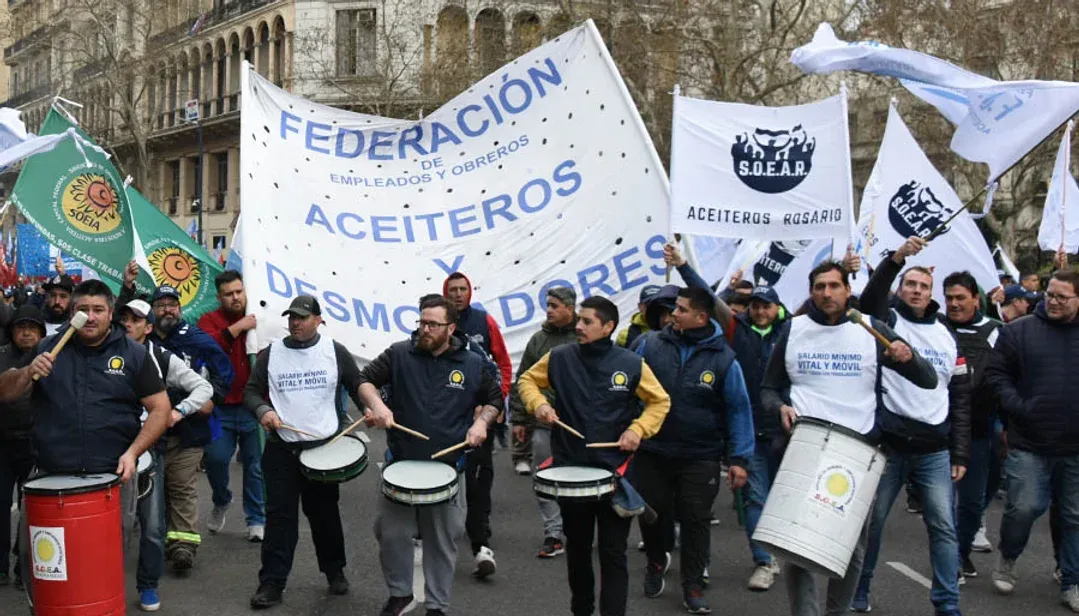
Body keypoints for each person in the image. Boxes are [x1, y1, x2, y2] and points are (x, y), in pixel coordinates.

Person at [760, 262, 938, 616]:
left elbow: (928, 379)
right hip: (804, 446)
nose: (826, 293)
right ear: (811, 292)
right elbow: (768, 388)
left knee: (851, 546)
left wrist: (909, 359)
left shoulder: (871, 328)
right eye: (819, 287)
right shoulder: (793, 329)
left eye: (834, 286)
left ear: (847, 290)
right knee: (796, 542)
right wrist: (779, 407)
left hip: (858, 451)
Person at [0, 280, 172, 600]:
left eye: (98, 310)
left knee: (102, 560)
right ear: (72, 313)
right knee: (41, 563)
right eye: (83, 310)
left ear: (110, 313)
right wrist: (26, 372)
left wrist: (133, 452)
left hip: (111, 476)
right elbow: (5, 392)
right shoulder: (48, 347)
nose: (90, 317)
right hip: (51, 473)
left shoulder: (133, 354)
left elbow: (161, 409)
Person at [518, 296, 671, 616]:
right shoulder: (559, 357)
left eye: (587, 321)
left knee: (613, 554)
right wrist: (539, 404)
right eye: (579, 320)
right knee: (577, 551)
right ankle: (582, 611)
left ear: (608, 326)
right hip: (571, 472)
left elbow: (660, 401)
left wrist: (638, 429)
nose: (579, 326)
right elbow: (527, 379)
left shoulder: (631, 363)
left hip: (615, 474)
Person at [357, 295, 503, 616]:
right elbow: (364, 380)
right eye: (422, 322)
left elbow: (495, 400)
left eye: (433, 324)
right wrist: (378, 406)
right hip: (401, 464)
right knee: (390, 533)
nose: (425, 329)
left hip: (447, 466)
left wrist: (481, 423)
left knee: (442, 540)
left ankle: (437, 605)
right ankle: (400, 594)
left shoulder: (472, 363)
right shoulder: (399, 353)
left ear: (450, 328)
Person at [852, 238, 972, 616]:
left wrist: (960, 451)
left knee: (944, 528)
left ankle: (947, 603)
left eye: (923, 286)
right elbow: (869, 301)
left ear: (931, 293)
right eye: (910, 284)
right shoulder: (887, 320)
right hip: (889, 445)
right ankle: (859, 589)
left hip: (934, 449)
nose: (917, 291)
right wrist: (898, 258)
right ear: (900, 289)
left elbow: (960, 397)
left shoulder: (947, 334)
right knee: (871, 525)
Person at [633, 287, 754, 613]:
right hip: (652, 449)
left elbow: (739, 409)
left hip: (700, 454)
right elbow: (628, 388)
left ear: (701, 317)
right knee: (652, 513)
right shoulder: (649, 344)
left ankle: (693, 584)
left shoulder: (724, 359)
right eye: (674, 308)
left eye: (681, 309)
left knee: (696, 519)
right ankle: (656, 560)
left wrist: (739, 458)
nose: (673, 314)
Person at [243, 295, 365, 609]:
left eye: (302, 317)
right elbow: (252, 391)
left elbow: (357, 384)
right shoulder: (272, 354)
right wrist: (263, 411)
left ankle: (334, 570)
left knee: (325, 515)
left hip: (323, 449)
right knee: (279, 518)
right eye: (292, 317)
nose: (295, 323)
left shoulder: (334, 351)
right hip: (282, 449)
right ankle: (272, 582)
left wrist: (370, 409)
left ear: (318, 320)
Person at [986, 269, 1079, 612]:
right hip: (1029, 441)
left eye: (1061, 297)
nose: (1052, 301)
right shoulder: (1018, 331)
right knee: (1024, 507)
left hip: (1075, 446)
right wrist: (1018, 407)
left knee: (1074, 516)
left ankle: (1072, 580)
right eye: (1050, 294)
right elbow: (996, 375)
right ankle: (1008, 556)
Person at [118, 299, 213, 611]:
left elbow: (203, 388)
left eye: (136, 320)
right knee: (112, 524)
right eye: (124, 318)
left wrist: (178, 411)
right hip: (110, 448)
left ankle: (148, 585)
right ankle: (105, 583)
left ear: (148, 327)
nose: (127, 324)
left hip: (150, 448)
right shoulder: (104, 353)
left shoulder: (161, 357)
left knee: (153, 524)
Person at [140, 283, 234, 566]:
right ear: (152, 311)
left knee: (182, 486)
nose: (167, 310)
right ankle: (159, 540)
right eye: (161, 306)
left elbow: (224, 371)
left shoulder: (197, 339)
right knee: (156, 489)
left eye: (172, 305)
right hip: (150, 430)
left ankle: (183, 545)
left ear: (180, 309)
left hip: (189, 428)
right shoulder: (142, 341)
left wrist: (213, 398)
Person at [715, 283, 792, 591]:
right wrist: (682, 264)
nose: (760, 312)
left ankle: (787, 550)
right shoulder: (738, 330)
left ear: (777, 308)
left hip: (787, 432)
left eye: (766, 306)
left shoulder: (792, 331)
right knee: (755, 498)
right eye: (755, 306)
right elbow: (708, 298)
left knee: (782, 498)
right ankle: (764, 560)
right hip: (750, 431)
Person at [442, 271, 512, 578]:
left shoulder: (485, 323)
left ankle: (481, 544)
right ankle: (424, 536)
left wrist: (496, 404)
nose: (458, 294)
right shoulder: (433, 329)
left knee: (479, 482)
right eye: (453, 290)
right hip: (446, 421)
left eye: (463, 289)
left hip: (480, 420)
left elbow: (502, 366)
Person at [196, 269, 267, 542]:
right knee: (216, 459)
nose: (235, 297)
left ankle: (256, 518)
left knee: (255, 465)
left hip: (252, 405)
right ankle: (221, 499)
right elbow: (208, 346)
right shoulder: (209, 321)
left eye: (239, 291)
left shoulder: (259, 317)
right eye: (229, 294)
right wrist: (238, 328)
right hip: (220, 406)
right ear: (219, 297)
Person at [508, 286, 578, 558]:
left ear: (570, 309)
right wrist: (519, 419)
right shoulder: (538, 340)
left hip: (578, 425)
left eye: (554, 305)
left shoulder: (584, 337)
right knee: (544, 477)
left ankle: (578, 529)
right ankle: (553, 533)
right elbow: (523, 379)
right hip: (544, 425)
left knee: (576, 478)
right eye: (547, 305)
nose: (548, 310)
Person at [941, 271, 1003, 578]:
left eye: (960, 298)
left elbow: (1009, 373)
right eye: (949, 298)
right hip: (939, 427)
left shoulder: (996, 332)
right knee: (940, 504)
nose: (954, 304)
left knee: (972, 502)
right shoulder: (937, 328)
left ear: (976, 299)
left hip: (979, 428)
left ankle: (961, 551)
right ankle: (948, 561)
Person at [0, 306, 44, 589]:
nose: (26, 333)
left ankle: (23, 564)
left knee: (31, 511)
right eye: (20, 327)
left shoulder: (51, 356)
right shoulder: (1, 355)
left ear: (41, 332)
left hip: (35, 446)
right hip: (2, 444)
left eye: (32, 328)